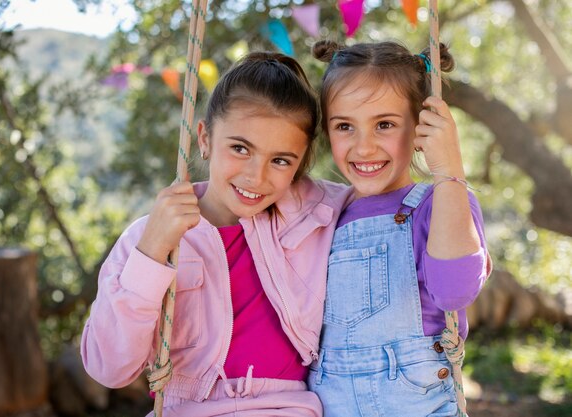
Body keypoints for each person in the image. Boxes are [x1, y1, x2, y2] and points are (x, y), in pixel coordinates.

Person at [81, 51, 352, 417]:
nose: (256, 177)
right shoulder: (147, 239)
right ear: (205, 138)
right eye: (240, 148)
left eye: (281, 160)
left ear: (300, 166)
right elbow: (109, 368)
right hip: (184, 407)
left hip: (284, 407)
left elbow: (387, 200)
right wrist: (152, 252)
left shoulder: (315, 212)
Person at [307, 40, 492, 417]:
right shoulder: (323, 212)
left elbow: (455, 292)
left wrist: (449, 171)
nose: (364, 146)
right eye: (345, 126)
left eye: (385, 124)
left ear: (420, 127)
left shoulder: (440, 202)